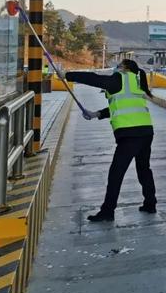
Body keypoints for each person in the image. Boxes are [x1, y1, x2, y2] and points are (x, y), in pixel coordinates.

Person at [65, 59, 157, 221]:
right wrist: (97, 114)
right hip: (146, 131)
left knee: (116, 174)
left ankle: (108, 211)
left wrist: (68, 75)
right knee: (144, 169)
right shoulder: (135, 81)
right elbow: (120, 104)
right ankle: (150, 203)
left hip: (130, 134)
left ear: (125, 68)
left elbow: (94, 79)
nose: (116, 68)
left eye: (119, 65)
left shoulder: (120, 78)